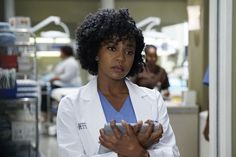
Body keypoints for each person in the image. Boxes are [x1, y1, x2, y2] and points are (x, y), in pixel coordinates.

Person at [57, 8, 180, 157]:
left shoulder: (153, 99)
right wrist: (129, 151)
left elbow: (172, 152)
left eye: (129, 52)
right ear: (95, 52)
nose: (121, 58)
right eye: (112, 48)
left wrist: (141, 154)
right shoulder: (70, 105)